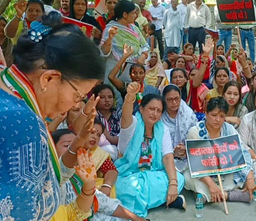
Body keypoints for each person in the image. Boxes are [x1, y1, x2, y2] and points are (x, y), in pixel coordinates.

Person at [0, 12, 105, 220]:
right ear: (48, 78)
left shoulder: (10, 96)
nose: (76, 105)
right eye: (78, 95)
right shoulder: (23, 123)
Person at [116, 84, 186, 217]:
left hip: (153, 174)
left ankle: (144, 201)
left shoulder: (162, 129)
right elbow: (125, 115)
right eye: (151, 109)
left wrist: (173, 184)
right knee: (127, 188)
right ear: (141, 109)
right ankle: (165, 200)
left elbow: (167, 156)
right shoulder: (133, 124)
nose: (155, 113)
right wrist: (130, 96)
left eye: (159, 111)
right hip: (129, 174)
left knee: (179, 179)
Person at [52, 129, 147, 221]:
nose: (75, 151)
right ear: (53, 151)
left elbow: (103, 201)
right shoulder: (52, 179)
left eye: (98, 134)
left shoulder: (79, 175)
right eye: (67, 146)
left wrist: (137, 218)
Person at [183, 97, 256, 203]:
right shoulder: (195, 132)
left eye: (221, 116)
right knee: (187, 177)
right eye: (214, 115)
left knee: (240, 175)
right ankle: (227, 195)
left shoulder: (229, 129)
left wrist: (250, 178)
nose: (217, 119)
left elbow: (242, 154)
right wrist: (211, 184)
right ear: (206, 113)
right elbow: (196, 164)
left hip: (225, 173)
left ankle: (207, 196)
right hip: (204, 175)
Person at [101, 0, 150, 96]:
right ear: (125, 14)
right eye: (133, 13)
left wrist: (143, 56)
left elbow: (145, 45)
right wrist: (109, 39)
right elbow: (104, 52)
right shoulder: (111, 29)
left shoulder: (134, 28)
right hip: (114, 71)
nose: (135, 15)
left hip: (134, 71)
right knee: (115, 101)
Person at [108, 45, 160, 112]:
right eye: (134, 73)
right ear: (130, 75)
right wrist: (124, 57)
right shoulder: (126, 88)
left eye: (141, 73)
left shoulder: (151, 90)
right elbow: (111, 77)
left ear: (144, 75)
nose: (137, 76)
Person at [160, 84, 198, 170]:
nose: (174, 102)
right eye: (170, 99)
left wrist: (187, 149)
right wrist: (172, 152)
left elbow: (196, 135)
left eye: (177, 99)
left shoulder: (187, 113)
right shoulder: (159, 116)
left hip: (188, 158)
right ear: (164, 100)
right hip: (164, 159)